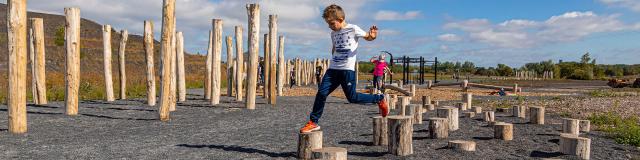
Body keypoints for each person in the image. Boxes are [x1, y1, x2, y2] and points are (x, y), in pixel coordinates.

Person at [300, 4, 388, 133]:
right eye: (328, 24)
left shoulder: (353, 29)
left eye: (331, 23)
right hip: (333, 69)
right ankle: (313, 122)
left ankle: (379, 98)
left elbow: (368, 37)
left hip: (347, 70)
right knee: (321, 93)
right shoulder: (333, 34)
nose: (329, 26)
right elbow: (334, 48)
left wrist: (373, 35)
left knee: (352, 98)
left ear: (340, 19)